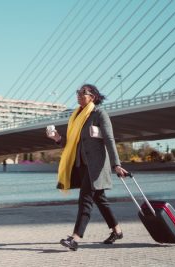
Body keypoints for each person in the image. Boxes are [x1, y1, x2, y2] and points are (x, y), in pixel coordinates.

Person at [46, 84, 129, 251]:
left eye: (83, 93)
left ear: (93, 97)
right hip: (81, 165)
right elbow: (71, 143)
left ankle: (75, 238)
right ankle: (117, 230)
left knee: (85, 199)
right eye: (78, 92)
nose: (79, 95)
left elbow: (109, 139)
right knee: (100, 199)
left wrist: (117, 164)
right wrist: (57, 138)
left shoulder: (99, 114)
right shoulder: (76, 116)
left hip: (96, 166)